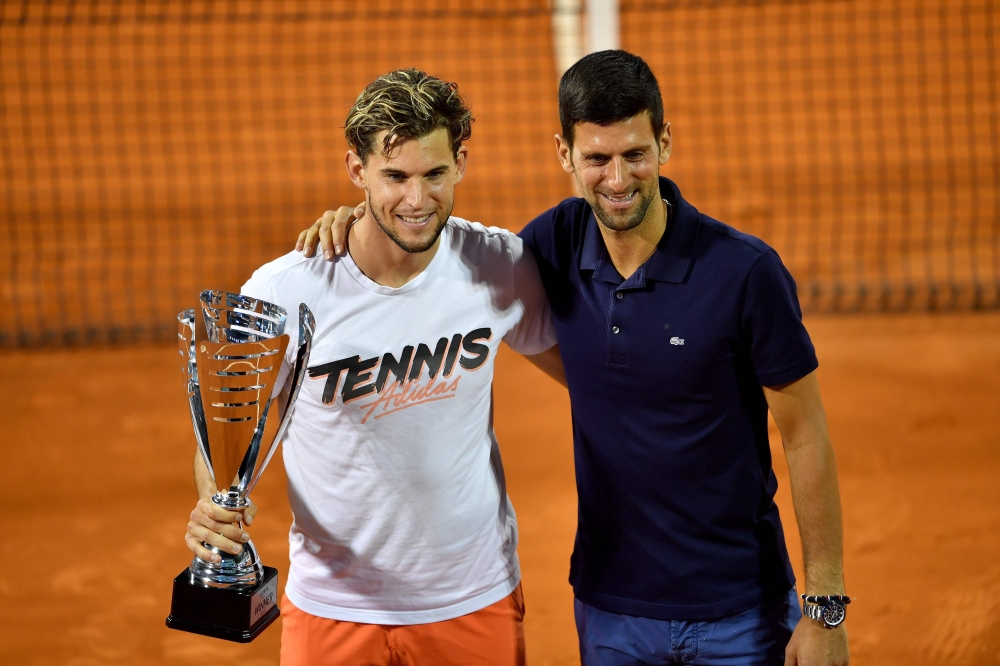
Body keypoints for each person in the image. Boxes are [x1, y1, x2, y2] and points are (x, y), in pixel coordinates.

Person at [297, 51, 850, 665]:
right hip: (610, 606)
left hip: (740, 609)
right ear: (565, 155)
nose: (617, 180)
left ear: (664, 143)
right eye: (597, 159)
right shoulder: (544, 251)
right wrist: (353, 228)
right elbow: (424, 248)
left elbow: (805, 435)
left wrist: (824, 607)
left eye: (635, 154)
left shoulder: (745, 272)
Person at [185, 69, 561, 666]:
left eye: (435, 173)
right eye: (395, 176)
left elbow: (590, 376)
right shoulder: (285, 289)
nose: (417, 199)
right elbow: (226, 435)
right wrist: (215, 505)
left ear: (461, 161)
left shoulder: (498, 265)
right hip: (333, 607)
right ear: (357, 171)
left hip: (471, 600)